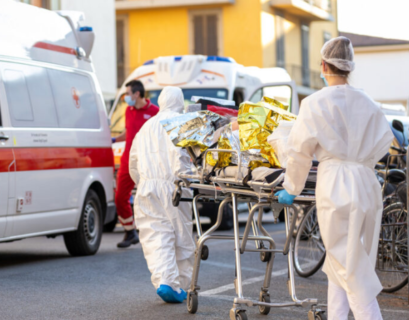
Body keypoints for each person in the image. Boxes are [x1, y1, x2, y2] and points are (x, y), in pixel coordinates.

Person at [275, 36, 393, 320]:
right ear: (349, 66)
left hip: (336, 186)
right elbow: (385, 144)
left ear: (323, 65)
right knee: (344, 262)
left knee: (350, 269)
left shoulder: (315, 103)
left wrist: (291, 187)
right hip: (367, 183)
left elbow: (300, 152)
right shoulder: (370, 103)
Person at [128, 86, 195, 303]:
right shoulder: (181, 122)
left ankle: (165, 282)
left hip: (146, 189)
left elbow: (133, 162)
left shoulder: (146, 127)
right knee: (181, 237)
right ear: (179, 102)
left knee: (156, 236)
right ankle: (182, 285)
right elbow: (183, 158)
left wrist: (142, 183)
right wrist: (189, 181)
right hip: (174, 187)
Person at [112, 80, 159, 248]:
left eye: (127, 93)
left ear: (137, 94)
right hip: (127, 159)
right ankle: (130, 231)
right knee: (119, 197)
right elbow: (128, 131)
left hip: (146, 160)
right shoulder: (128, 110)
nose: (126, 97)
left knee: (149, 197)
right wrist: (114, 139)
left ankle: (154, 233)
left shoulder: (155, 112)